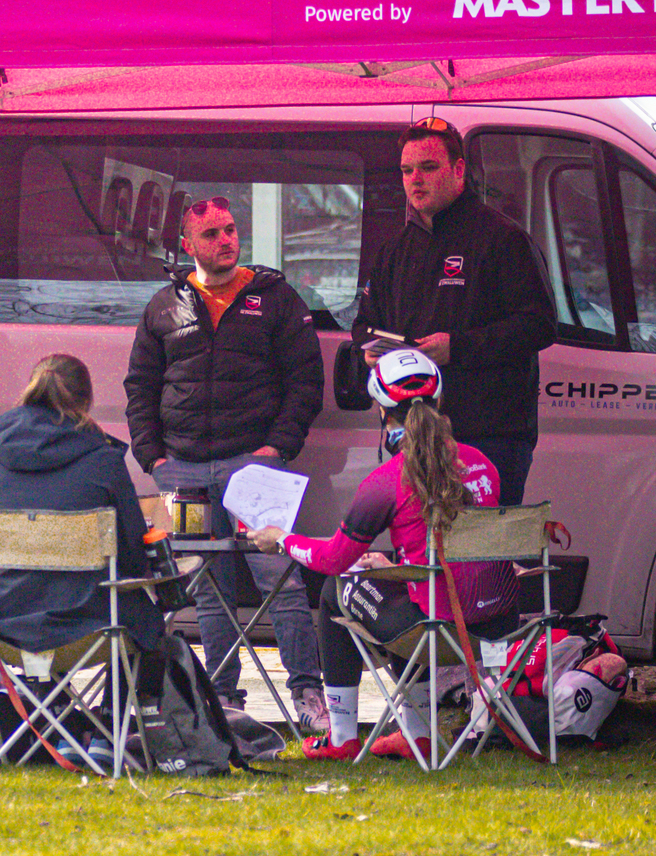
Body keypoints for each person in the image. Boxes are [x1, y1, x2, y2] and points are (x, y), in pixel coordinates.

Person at [123, 192, 329, 736]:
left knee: (279, 580)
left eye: (231, 230)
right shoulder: (163, 305)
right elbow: (140, 388)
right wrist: (153, 458)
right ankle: (221, 698)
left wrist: (276, 449)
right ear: (187, 245)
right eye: (212, 234)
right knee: (205, 592)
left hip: (254, 467)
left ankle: (308, 695)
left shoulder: (274, 296)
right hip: (184, 471)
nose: (226, 240)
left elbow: (306, 380)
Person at [280, 346, 516, 760]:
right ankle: (416, 734)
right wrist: (398, 566)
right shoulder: (483, 464)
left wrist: (282, 538)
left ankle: (342, 738)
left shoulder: (388, 479)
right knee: (405, 592)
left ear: (382, 412)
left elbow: (333, 559)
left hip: (433, 627)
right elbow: (457, 552)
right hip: (495, 624)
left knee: (339, 588)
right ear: (440, 403)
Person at [354, 116, 557, 509]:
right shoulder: (395, 249)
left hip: (488, 433)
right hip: (414, 434)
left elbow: (539, 325)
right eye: (407, 170)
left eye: (428, 168)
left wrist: (458, 348)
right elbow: (363, 323)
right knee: (420, 556)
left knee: (482, 561)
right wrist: (371, 349)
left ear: (458, 169)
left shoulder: (502, 238)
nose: (415, 179)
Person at [0, 352, 163, 656]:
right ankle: (120, 704)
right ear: (87, 399)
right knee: (148, 621)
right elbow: (134, 555)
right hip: (91, 620)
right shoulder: (104, 459)